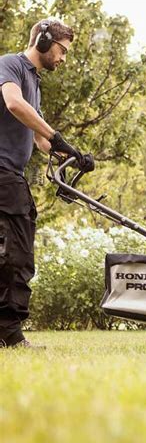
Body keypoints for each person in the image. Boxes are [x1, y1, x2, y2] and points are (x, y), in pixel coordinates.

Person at [0, 19, 89, 348]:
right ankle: (9, 334)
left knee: (9, 252)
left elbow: (40, 138)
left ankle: (4, 332)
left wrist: (73, 155)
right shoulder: (11, 65)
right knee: (18, 253)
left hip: (10, 173)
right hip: (3, 172)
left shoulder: (34, 82)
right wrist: (57, 136)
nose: (63, 58)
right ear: (43, 39)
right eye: (62, 50)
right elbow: (13, 104)